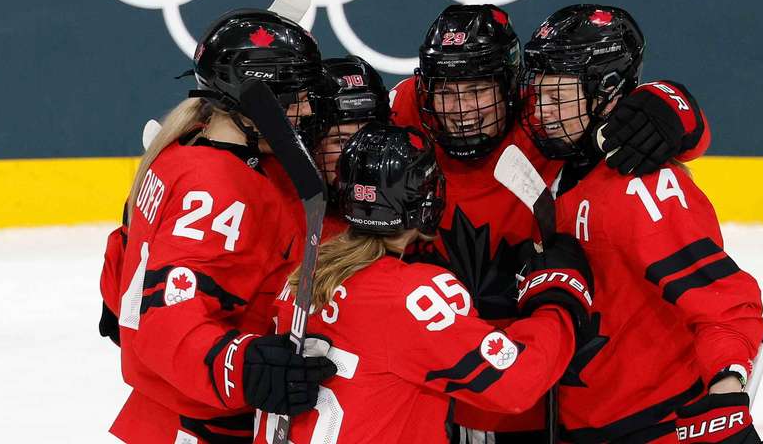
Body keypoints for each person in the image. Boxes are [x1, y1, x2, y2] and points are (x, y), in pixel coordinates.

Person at [389, 3, 713, 437]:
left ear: (510, 86)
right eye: (446, 90)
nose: (460, 108)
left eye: (478, 89)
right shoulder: (409, 109)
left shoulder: (546, 117)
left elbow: (665, 126)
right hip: (431, 369)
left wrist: (673, 108)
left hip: (535, 374)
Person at [255, 123, 595, 444]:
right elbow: (517, 382)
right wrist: (558, 297)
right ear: (425, 201)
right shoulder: (410, 295)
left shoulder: (303, 278)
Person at [521, 4, 763, 443]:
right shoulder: (556, 162)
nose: (544, 110)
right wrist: (675, 103)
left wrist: (726, 388)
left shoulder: (642, 187)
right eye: (538, 94)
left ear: (608, 92)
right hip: (580, 425)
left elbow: (723, 304)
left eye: (559, 96)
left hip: (654, 426)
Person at [104, 8, 337, 443]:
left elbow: (126, 256)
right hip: (199, 423)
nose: (306, 108)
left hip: (161, 411)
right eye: (291, 96)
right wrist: (244, 366)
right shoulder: (218, 190)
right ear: (247, 102)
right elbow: (168, 319)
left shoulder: (185, 140)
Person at [312, 55, 391, 240]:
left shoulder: (405, 220)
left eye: (370, 137)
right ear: (311, 146)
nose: (357, 153)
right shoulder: (286, 219)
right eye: (341, 141)